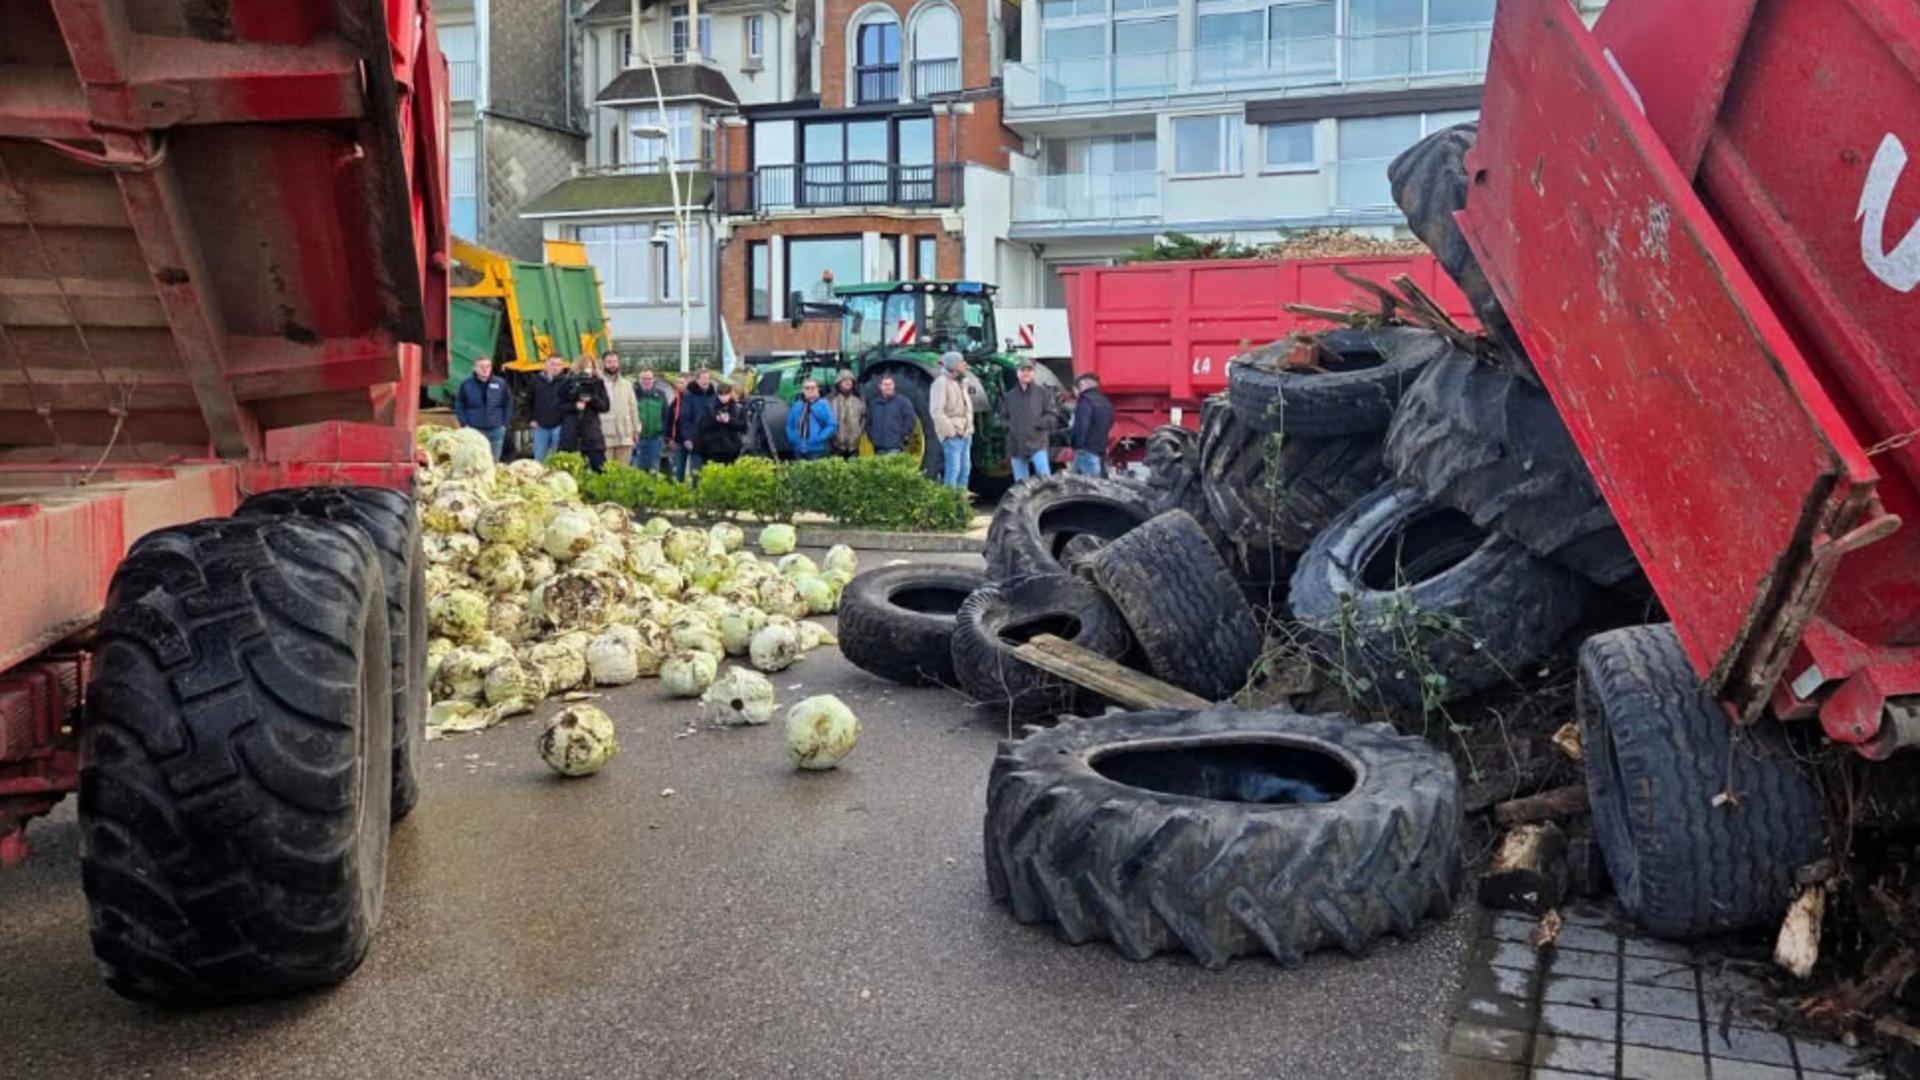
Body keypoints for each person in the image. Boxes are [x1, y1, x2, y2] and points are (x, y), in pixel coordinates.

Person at [1001, 360, 1057, 482]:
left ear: (1034, 373)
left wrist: (1037, 424)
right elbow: (1003, 417)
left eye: (1029, 370)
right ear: (1017, 373)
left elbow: (1051, 415)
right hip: (1016, 445)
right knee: (1020, 483)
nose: (1026, 373)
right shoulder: (1009, 396)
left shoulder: (1043, 393)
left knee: (1045, 480)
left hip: (1037, 442)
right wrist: (1011, 428)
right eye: (1023, 370)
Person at [452, 355, 512, 460]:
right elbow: (459, 405)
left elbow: (508, 403)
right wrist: (464, 423)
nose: (485, 370)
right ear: (474, 368)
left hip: (496, 429)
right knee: (475, 461)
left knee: (494, 461)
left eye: (488, 366)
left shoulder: (500, 383)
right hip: (475, 429)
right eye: (481, 367)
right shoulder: (466, 384)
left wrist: (504, 424)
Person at [929, 352, 974, 489]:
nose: (964, 364)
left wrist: (969, 427)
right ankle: (949, 503)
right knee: (953, 470)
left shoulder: (961, 383)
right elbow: (936, 411)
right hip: (953, 433)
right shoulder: (941, 383)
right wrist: (950, 431)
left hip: (965, 432)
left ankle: (961, 504)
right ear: (954, 365)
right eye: (961, 362)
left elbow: (967, 407)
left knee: (965, 470)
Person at [558, 355, 611, 471]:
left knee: (600, 468)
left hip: (592, 433)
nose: (588, 370)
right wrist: (574, 406)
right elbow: (558, 407)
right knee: (569, 469)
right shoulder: (567, 383)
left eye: (590, 366)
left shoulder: (598, 383)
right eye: (585, 366)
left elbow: (605, 406)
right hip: (571, 432)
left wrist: (592, 399)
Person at [672, 368, 718, 481]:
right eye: (703, 378)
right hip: (695, 439)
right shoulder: (689, 396)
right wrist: (687, 438)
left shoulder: (714, 396)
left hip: (710, 439)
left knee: (710, 472)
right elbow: (685, 419)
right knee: (696, 470)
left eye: (707, 378)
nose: (706, 381)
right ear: (697, 380)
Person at [1066, 372, 1114, 477]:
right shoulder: (1105, 401)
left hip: (1086, 450)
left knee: (1087, 487)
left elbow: (1081, 426)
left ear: (1083, 385)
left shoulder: (1085, 401)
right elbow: (1110, 422)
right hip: (1100, 448)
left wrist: (1076, 445)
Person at [694, 381, 751, 465]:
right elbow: (701, 427)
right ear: (717, 394)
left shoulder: (738, 408)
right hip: (713, 449)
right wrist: (715, 420)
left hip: (732, 448)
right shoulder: (709, 407)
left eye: (726, 394)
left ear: (730, 394)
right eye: (721, 395)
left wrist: (729, 421)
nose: (723, 398)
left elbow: (743, 426)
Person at [528, 354, 571, 462]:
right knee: (539, 458)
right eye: (552, 364)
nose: (555, 367)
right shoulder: (536, 380)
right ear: (545, 365)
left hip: (559, 426)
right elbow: (528, 401)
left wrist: (566, 422)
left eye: (559, 364)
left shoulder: (567, 382)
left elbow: (571, 403)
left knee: (559, 459)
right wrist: (531, 419)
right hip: (540, 426)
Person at [600, 352, 639, 469]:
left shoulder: (627, 384)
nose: (612, 365)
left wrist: (636, 429)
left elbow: (633, 408)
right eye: (609, 362)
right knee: (605, 471)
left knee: (623, 471)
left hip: (625, 435)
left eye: (615, 362)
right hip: (605, 435)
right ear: (603, 364)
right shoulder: (598, 383)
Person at [786, 379, 837, 460]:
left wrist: (820, 438)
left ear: (817, 389)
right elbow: (790, 425)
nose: (810, 390)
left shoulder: (823, 404)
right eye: (807, 388)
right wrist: (793, 438)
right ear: (803, 390)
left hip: (818, 449)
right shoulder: (797, 405)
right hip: (799, 448)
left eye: (813, 388)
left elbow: (831, 425)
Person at [867, 373, 916, 457]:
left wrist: (902, 436)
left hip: (895, 447)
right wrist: (872, 437)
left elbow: (910, 420)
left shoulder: (902, 402)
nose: (887, 387)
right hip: (879, 448)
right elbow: (869, 423)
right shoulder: (874, 404)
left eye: (890, 384)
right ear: (880, 387)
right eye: (885, 385)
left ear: (894, 385)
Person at [633, 367, 670, 472]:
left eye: (649, 378)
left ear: (653, 380)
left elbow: (666, 415)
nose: (646, 381)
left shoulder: (661, 395)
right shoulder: (633, 395)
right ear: (639, 380)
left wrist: (663, 433)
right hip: (638, 440)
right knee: (638, 472)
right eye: (643, 379)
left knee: (654, 470)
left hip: (655, 440)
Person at [828, 369, 867, 459]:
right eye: (845, 380)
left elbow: (864, 418)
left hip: (854, 446)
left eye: (850, 380)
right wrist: (832, 437)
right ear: (838, 382)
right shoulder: (830, 400)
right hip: (836, 447)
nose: (848, 382)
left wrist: (858, 433)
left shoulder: (859, 399)